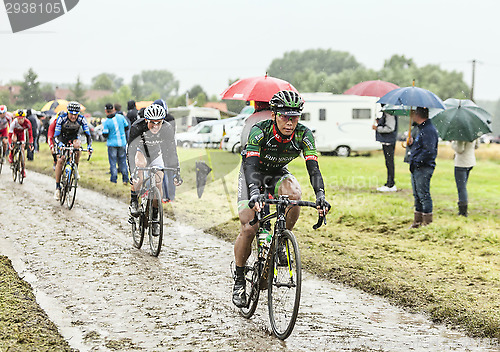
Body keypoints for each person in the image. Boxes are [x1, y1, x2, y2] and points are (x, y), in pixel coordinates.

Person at [232, 90, 331, 308]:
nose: (290, 122)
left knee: (294, 194)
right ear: (274, 114)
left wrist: (320, 195)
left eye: (294, 117)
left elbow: (313, 167)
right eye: (285, 116)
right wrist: (254, 191)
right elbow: (250, 165)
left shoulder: (304, 135)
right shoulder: (260, 131)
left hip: (277, 172)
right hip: (253, 173)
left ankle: (281, 239)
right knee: (249, 228)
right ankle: (239, 279)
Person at [127, 104, 182, 235]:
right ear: (146, 120)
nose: (156, 126)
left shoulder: (167, 128)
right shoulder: (137, 127)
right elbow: (131, 151)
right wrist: (132, 172)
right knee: (139, 175)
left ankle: (155, 217)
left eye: (159, 122)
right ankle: (134, 201)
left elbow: (171, 151)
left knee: (159, 181)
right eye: (152, 123)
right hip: (140, 152)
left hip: (156, 154)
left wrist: (176, 170)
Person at [53, 101, 93, 201]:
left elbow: (88, 134)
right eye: (72, 114)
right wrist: (60, 144)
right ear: (68, 112)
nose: (74, 117)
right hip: (62, 138)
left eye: (76, 114)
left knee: (77, 146)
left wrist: (89, 146)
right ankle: (58, 187)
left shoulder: (81, 119)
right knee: (61, 160)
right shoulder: (62, 118)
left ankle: (75, 167)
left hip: (74, 137)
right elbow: (56, 136)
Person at [407, 107, 438, 228]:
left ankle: (427, 223)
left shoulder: (428, 130)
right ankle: (417, 221)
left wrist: (417, 161)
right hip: (417, 167)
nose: (412, 116)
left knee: (424, 195)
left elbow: (429, 151)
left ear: (418, 115)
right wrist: (411, 145)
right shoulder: (422, 129)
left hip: (423, 167)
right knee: (417, 195)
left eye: (413, 114)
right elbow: (420, 148)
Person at [102, 103, 129, 185]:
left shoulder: (106, 122)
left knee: (113, 162)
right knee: (123, 161)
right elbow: (127, 127)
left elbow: (105, 134)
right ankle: (125, 179)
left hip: (112, 144)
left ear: (106, 111)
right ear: (113, 109)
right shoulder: (121, 117)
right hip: (122, 142)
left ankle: (114, 179)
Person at [451, 139, 478, 217]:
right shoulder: (474, 131)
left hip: (461, 163)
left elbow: (460, 149)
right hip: (470, 162)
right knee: (463, 186)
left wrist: (453, 142)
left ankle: (463, 211)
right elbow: (477, 146)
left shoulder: (460, 134)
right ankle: (463, 209)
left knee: (461, 188)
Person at [373, 109, 398, 192]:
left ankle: (391, 184)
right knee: (388, 163)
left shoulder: (389, 113)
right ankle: (389, 182)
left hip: (388, 142)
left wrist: (378, 128)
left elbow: (390, 127)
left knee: (389, 163)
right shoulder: (388, 113)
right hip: (388, 141)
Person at [8, 109, 34, 177]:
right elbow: (10, 135)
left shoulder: (27, 122)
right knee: (14, 140)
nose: (20, 120)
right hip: (15, 133)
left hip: (22, 134)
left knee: (22, 149)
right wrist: (10, 144)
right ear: (17, 118)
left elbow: (30, 135)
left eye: (22, 119)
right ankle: (11, 155)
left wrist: (31, 144)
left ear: (24, 118)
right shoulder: (14, 122)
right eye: (19, 119)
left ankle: (23, 170)